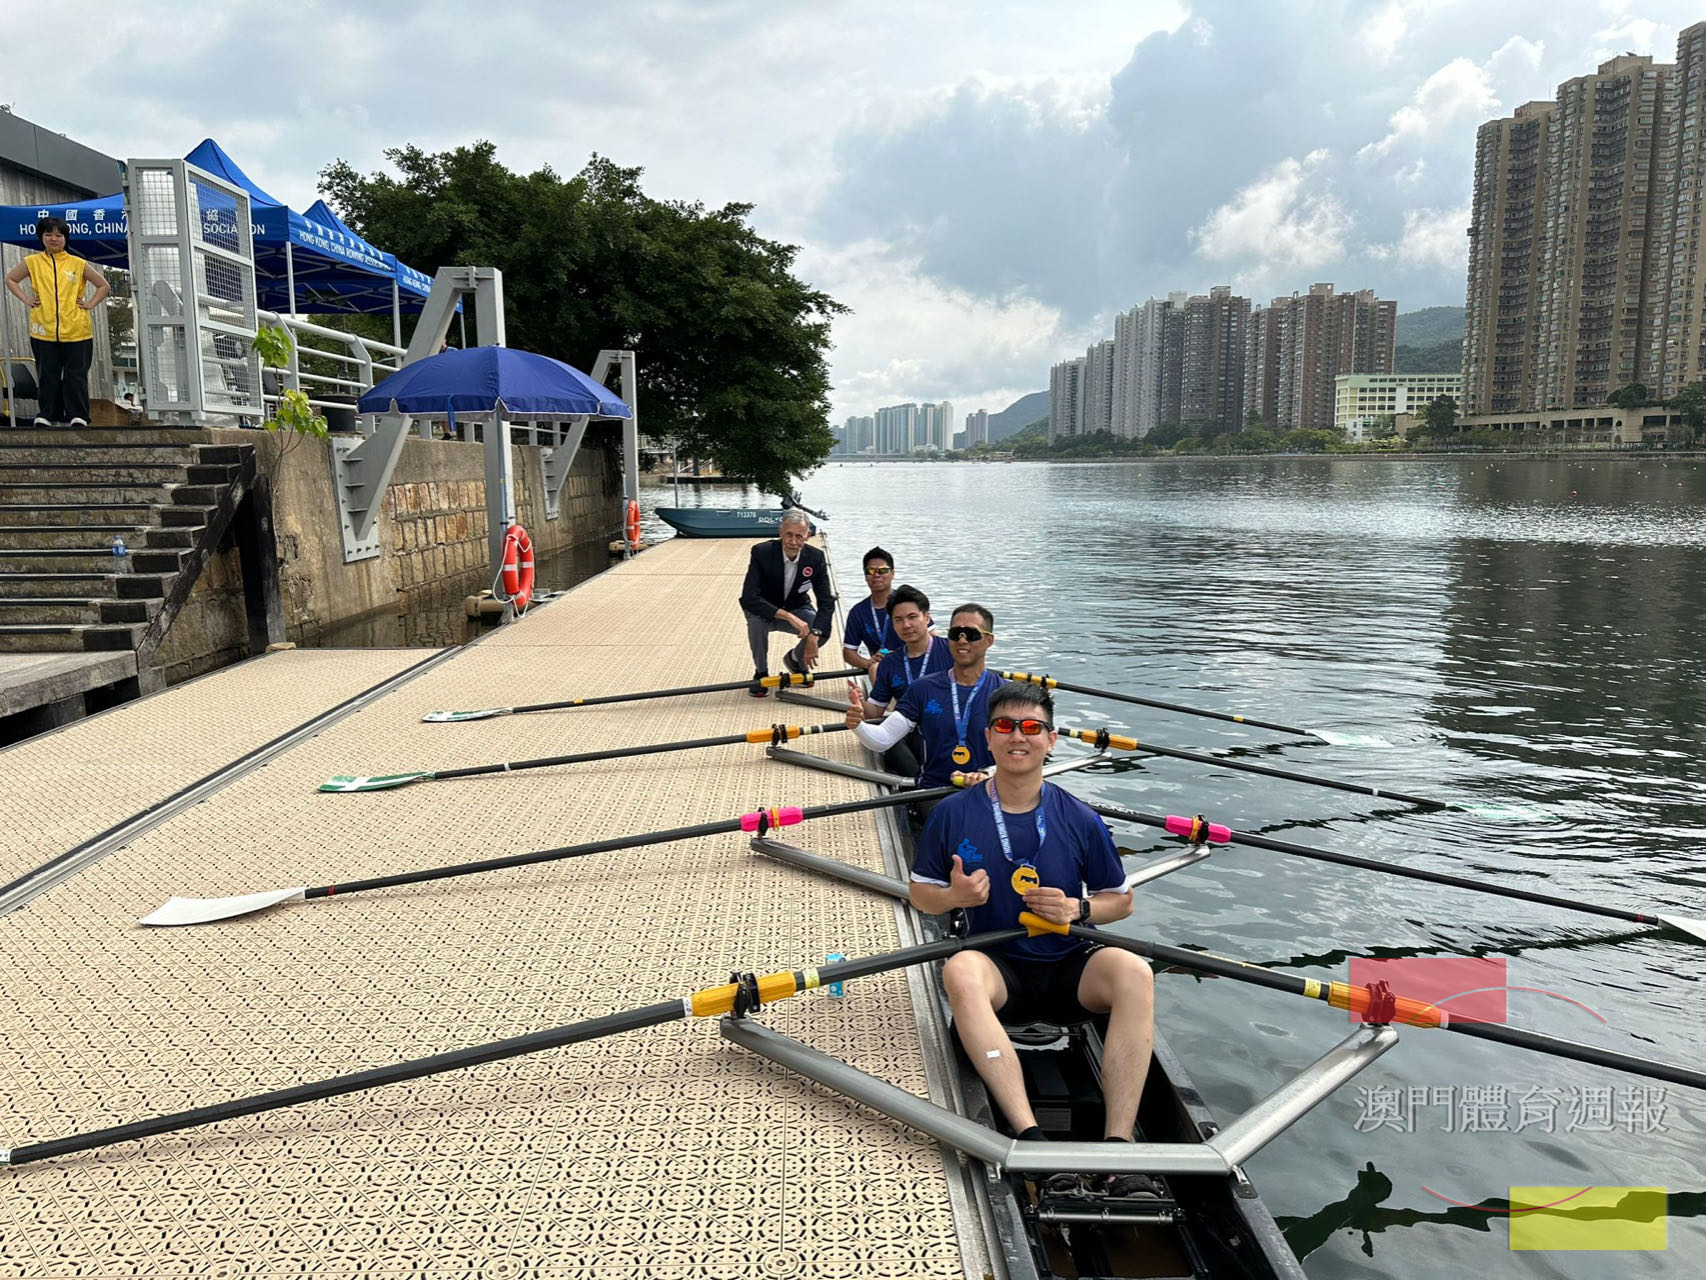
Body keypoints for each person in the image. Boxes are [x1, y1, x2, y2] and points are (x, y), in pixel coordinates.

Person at [910, 680, 1158, 1197]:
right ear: (988, 737)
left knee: (1135, 970)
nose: (1017, 737)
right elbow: (921, 895)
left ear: (1050, 740)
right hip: (999, 969)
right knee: (958, 969)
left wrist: (1080, 908)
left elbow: (1121, 901)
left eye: (1031, 728)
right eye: (1005, 727)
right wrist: (954, 897)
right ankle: (1028, 1134)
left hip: (1069, 967)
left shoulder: (1080, 817)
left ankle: (1119, 1144)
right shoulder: (953, 813)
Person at [847, 603, 998, 811]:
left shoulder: (1004, 695)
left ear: (989, 641)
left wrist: (989, 773)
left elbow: (1024, 755)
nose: (962, 640)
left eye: (971, 634)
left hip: (988, 790)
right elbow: (882, 740)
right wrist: (858, 726)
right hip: (935, 791)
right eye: (956, 633)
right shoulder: (923, 688)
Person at [4, 216, 109, 428]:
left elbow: (103, 285)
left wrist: (89, 304)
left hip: (77, 330)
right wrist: (27, 300)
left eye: (59, 235)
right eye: (48, 234)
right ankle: (47, 415)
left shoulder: (78, 263)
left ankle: (77, 415)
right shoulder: (31, 262)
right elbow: (11, 279)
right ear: (41, 237)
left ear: (65, 238)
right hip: (43, 329)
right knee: (47, 374)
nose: (54, 239)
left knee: (75, 375)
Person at [856, 583, 951, 779]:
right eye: (898, 620)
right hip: (909, 732)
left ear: (927, 618)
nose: (906, 625)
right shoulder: (890, 663)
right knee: (890, 739)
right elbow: (874, 711)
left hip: (948, 731)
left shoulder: (953, 651)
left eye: (912, 617)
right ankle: (920, 784)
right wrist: (858, 705)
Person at [738, 509, 836, 697]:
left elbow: (826, 602)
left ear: (807, 536)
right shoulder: (762, 552)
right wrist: (788, 616)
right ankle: (761, 671)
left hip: (797, 606)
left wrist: (814, 636)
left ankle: (795, 660)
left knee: (822, 627)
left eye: (799, 536)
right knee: (757, 622)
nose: (793, 542)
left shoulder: (816, 558)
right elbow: (749, 597)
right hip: (764, 609)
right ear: (780, 532)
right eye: (789, 535)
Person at [841, 546, 900, 675]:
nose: (877, 575)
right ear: (865, 576)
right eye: (871, 571)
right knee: (875, 669)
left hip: (914, 661)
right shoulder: (858, 612)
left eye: (883, 570)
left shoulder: (908, 602)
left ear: (893, 574)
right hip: (880, 668)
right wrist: (868, 663)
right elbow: (848, 653)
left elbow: (932, 637)